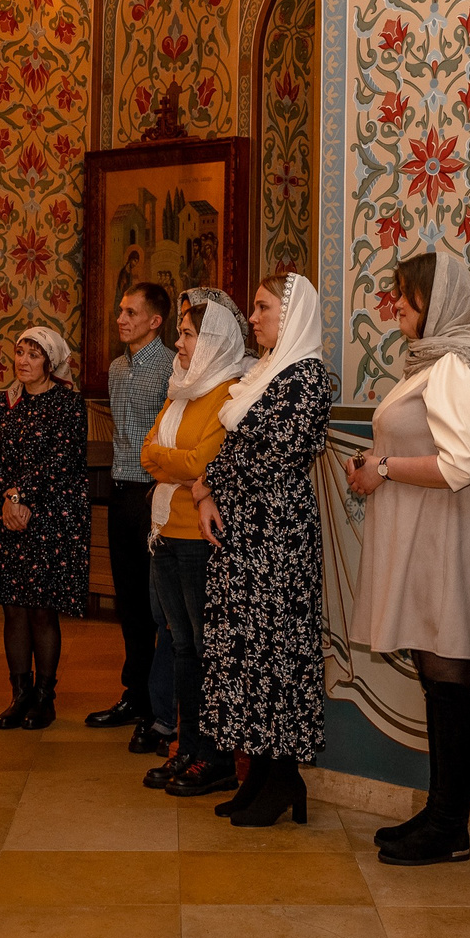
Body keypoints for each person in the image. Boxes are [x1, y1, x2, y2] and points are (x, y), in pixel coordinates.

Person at [350, 248, 470, 866]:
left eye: (404, 296)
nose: (395, 306)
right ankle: (441, 813)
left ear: (434, 301)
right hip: (428, 537)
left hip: (447, 540)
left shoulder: (455, 365)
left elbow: (460, 463)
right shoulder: (434, 363)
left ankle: (449, 825)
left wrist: (384, 468)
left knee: (448, 676)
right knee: (436, 673)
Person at [197, 272, 337, 827]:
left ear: (293, 312)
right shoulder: (265, 372)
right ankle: (259, 773)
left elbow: (269, 458)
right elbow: (236, 450)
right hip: (245, 530)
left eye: (262, 308)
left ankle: (281, 777)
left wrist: (210, 482)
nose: (252, 318)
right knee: (244, 653)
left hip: (276, 534)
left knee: (275, 651)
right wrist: (209, 487)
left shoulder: (307, 378)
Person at [141, 289, 246, 797]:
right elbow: (147, 453)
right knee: (182, 647)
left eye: (186, 334)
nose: (178, 344)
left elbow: (204, 464)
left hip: (199, 540)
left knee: (206, 648)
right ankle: (187, 748)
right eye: (181, 333)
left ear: (212, 340)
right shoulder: (179, 387)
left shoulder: (228, 391)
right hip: (166, 532)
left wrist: (173, 464)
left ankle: (214, 756)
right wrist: (175, 464)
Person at [0, 327, 88, 729]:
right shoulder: (3, 404)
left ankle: (44, 697)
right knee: (14, 609)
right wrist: (8, 496)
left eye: (34, 354)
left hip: (50, 518)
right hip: (6, 515)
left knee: (41, 609)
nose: (23, 361)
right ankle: (19, 694)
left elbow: (62, 461)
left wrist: (22, 497)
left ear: (51, 362)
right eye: (20, 352)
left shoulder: (68, 405)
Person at [93, 284, 175, 745]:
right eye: (120, 310)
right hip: (121, 493)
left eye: (130, 312)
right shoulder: (117, 369)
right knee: (127, 601)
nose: (120, 318)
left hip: (154, 494)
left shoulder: (170, 367)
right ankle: (133, 695)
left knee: (154, 604)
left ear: (155, 321)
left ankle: (159, 703)